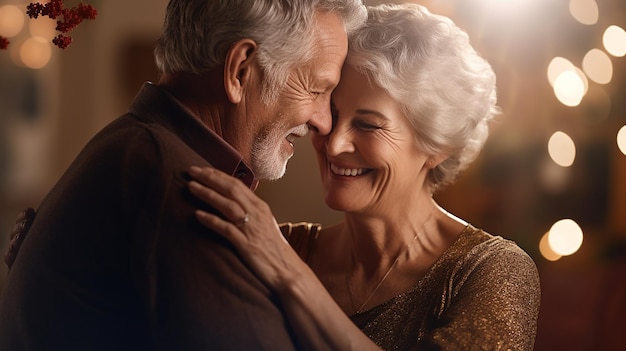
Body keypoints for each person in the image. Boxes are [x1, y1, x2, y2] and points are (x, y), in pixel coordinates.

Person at [0, 0, 366, 350]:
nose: (324, 122)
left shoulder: (131, 147)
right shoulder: (192, 198)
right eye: (316, 89)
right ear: (240, 71)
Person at [184, 3, 541, 350]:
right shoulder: (278, 245)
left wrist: (293, 279)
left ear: (437, 146)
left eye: (368, 125)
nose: (334, 143)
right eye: (331, 114)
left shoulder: (491, 271)